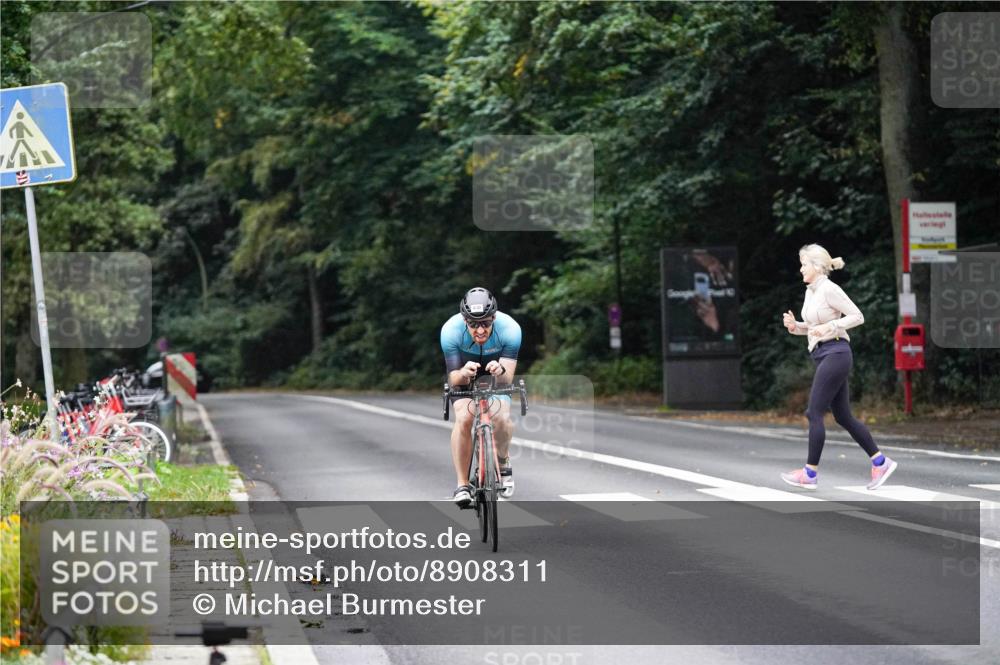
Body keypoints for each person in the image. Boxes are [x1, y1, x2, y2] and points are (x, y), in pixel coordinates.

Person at [780, 244, 897, 490]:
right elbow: (815, 326)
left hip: (836, 353)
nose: (800, 269)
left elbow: (857, 316)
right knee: (843, 416)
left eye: (803, 264)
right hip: (824, 353)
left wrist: (831, 328)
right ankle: (880, 462)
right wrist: (797, 326)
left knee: (814, 413)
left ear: (815, 266)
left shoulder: (830, 289)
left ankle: (810, 474)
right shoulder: (811, 291)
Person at [441, 287, 521, 506]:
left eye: (485, 323)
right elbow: (453, 379)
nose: (480, 330)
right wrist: (464, 374)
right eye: (473, 324)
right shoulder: (450, 330)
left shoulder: (510, 329)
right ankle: (462, 485)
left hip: (496, 375)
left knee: (500, 418)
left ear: (494, 317)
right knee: (465, 418)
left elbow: (507, 379)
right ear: (464, 320)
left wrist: (501, 371)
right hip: (464, 373)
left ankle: (503, 463)